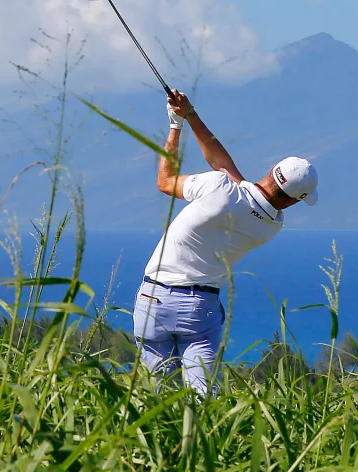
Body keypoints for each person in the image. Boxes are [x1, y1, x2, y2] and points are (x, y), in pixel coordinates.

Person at [133, 89, 319, 395]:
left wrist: (177, 126)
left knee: (157, 394)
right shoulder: (271, 225)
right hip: (199, 308)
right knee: (203, 396)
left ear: (272, 171)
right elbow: (225, 168)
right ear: (292, 201)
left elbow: (166, 182)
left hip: (153, 298)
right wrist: (190, 115)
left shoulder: (219, 187)